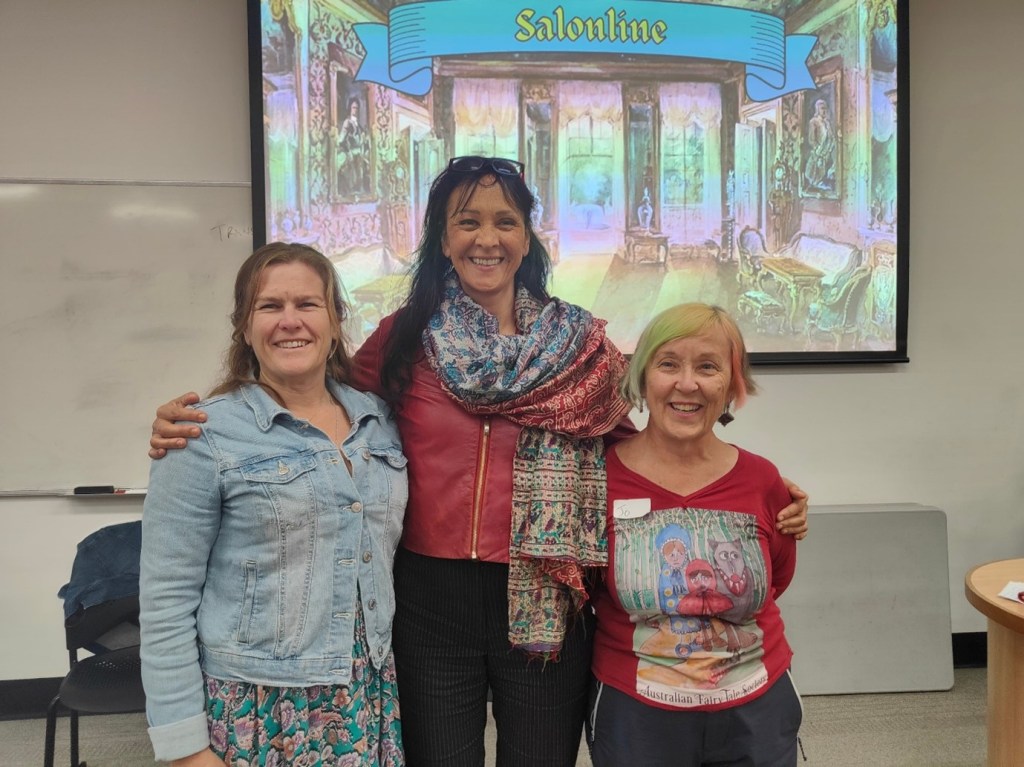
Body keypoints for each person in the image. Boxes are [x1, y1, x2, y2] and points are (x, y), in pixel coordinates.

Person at [149, 157, 809, 767]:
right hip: (429, 602)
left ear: (527, 238)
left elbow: (638, 448)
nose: (485, 238)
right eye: (467, 221)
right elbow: (315, 395)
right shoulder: (404, 337)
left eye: (504, 221)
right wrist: (205, 419)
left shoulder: (577, 346)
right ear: (443, 238)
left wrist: (747, 486)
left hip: (545, 592)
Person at [139, 243, 407, 766]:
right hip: (260, 707)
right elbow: (165, 600)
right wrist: (185, 749)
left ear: (335, 319)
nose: (290, 322)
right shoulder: (201, 436)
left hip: (366, 696)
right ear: (243, 325)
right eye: (269, 306)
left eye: (307, 304)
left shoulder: (380, 422)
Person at [587, 303, 800, 767]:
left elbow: (777, 578)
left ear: (731, 385)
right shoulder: (599, 478)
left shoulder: (763, 480)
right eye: (668, 364)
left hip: (756, 709)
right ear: (643, 377)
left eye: (707, 367)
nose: (687, 384)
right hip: (637, 712)